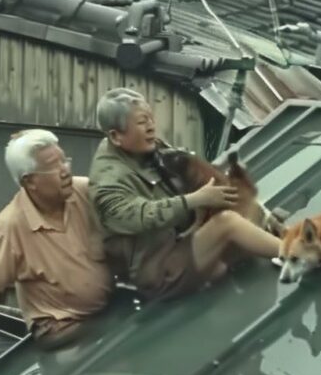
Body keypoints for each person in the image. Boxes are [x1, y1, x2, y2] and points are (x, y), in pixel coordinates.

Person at [88, 90, 281, 300]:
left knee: (241, 212)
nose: (152, 127)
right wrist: (195, 199)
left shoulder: (143, 149)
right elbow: (139, 216)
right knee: (228, 223)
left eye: (151, 118)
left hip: (180, 243)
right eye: (142, 122)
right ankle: (297, 254)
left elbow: (201, 177)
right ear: (116, 136)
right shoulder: (108, 180)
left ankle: (275, 233)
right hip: (158, 270)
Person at [0, 129, 114, 347]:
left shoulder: (83, 191)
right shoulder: (10, 224)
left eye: (65, 161)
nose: (65, 171)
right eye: (54, 166)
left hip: (104, 310)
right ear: (30, 181)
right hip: (59, 326)